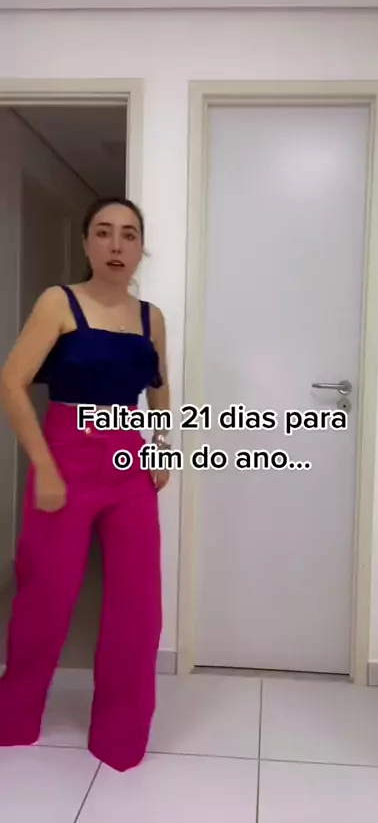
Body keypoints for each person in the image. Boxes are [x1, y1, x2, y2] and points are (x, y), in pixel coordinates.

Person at [0, 196, 169, 772]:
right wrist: (44, 465)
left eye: (129, 234)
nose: (117, 245)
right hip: (66, 456)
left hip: (128, 460)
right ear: (86, 243)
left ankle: (121, 738)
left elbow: (159, 387)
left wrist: (162, 445)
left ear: (141, 247)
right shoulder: (59, 302)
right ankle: (14, 717)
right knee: (46, 595)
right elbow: (12, 382)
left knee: (137, 606)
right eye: (104, 232)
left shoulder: (151, 318)